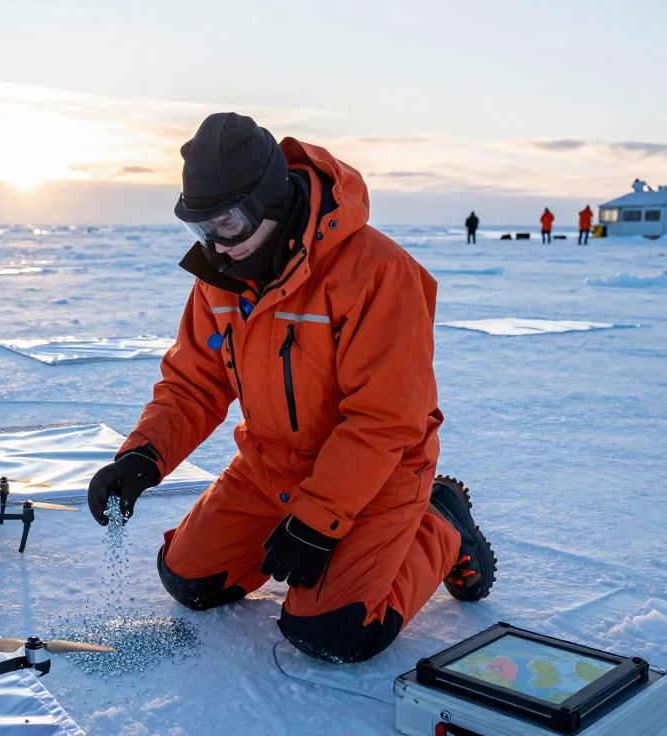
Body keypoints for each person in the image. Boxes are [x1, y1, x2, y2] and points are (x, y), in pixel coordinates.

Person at [85, 112, 497, 664]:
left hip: (380, 474)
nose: (213, 245)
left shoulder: (379, 274)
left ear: (270, 203)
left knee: (330, 630)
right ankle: (316, 534)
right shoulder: (221, 279)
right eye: (199, 227)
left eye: (225, 223)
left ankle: (440, 524)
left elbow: (385, 420)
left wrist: (317, 519)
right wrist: (142, 457)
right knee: (188, 579)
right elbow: (194, 382)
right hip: (271, 465)